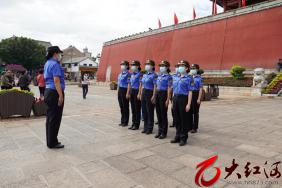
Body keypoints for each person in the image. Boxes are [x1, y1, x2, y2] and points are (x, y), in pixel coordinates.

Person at [44, 46, 65, 149]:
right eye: (59, 53)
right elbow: (56, 81)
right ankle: (53, 142)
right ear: (55, 53)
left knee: (50, 118)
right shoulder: (55, 64)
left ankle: (50, 141)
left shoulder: (47, 63)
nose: (60, 55)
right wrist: (60, 96)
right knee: (55, 118)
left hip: (48, 91)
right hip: (55, 92)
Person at [171, 60, 193, 146]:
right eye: (179, 65)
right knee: (176, 119)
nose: (180, 67)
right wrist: (172, 101)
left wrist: (188, 104)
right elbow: (173, 90)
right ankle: (177, 135)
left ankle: (183, 137)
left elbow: (190, 92)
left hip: (183, 99)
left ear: (187, 68)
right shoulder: (175, 77)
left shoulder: (189, 78)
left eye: (182, 66)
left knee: (183, 119)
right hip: (175, 98)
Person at [138, 59, 157, 135]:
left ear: (152, 66)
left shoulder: (154, 75)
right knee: (144, 111)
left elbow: (155, 86)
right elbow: (141, 85)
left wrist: (153, 95)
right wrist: (139, 93)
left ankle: (150, 128)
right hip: (144, 92)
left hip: (150, 92)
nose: (146, 66)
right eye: (146, 64)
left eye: (148, 64)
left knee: (150, 111)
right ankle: (145, 127)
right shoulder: (145, 75)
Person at [155, 60, 172, 139]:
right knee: (158, 113)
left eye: (163, 66)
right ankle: (159, 131)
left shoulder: (169, 77)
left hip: (164, 94)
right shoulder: (159, 75)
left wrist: (168, 99)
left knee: (163, 114)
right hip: (158, 94)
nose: (161, 67)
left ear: (167, 67)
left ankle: (164, 132)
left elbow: (169, 88)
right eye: (160, 66)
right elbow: (156, 86)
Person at [128, 60, 142, 130]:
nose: (132, 67)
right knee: (133, 109)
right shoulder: (131, 74)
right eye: (132, 65)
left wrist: (139, 93)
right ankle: (133, 123)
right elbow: (130, 84)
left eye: (134, 65)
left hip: (137, 91)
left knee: (137, 109)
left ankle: (136, 125)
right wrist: (128, 92)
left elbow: (140, 85)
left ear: (138, 66)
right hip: (132, 91)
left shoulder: (140, 74)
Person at [190, 64, 203, 133]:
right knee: (189, 112)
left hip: (196, 94)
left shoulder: (199, 78)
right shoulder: (190, 77)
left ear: (197, 69)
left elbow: (200, 89)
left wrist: (199, 98)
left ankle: (195, 127)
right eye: (191, 68)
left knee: (195, 112)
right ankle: (190, 126)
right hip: (190, 94)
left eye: (194, 68)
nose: (192, 69)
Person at [117, 60, 131, 127]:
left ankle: (126, 121)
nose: (122, 66)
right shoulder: (120, 74)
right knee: (121, 106)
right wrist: (118, 91)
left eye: (123, 64)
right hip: (120, 90)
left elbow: (129, 84)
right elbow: (119, 83)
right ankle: (122, 120)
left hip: (125, 90)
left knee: (125, 106)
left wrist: (127, 93)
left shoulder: (128, 74)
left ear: (127, 66)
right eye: (121, 64)